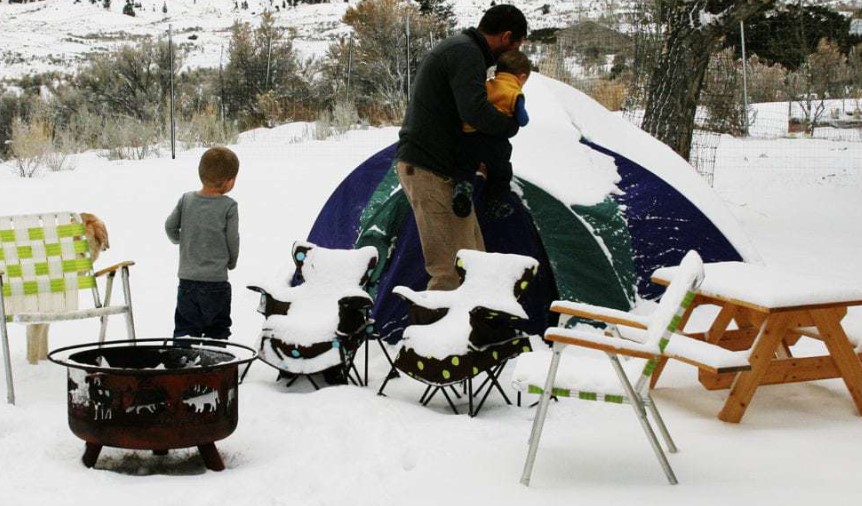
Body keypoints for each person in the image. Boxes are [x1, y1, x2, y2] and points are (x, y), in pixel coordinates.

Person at [396, 4, 528, 291]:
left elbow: (459, 116)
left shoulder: (464, 50)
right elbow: (475, 112)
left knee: (473, 263)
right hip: (429, 168)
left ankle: (465, 333)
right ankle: (436, 334)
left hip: (440, 168)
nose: (512, 54)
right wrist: (510, 126)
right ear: (507, 37)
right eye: (516, 45)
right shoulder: (466, 52)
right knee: (453, 272)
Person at [165, 146, 240, 340]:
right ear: (229, 181)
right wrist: (231, 261)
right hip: (216, 282)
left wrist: (184, 242)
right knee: (218, 329)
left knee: (185, 329)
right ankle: (215, 366)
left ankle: (183, 363)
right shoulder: (229, 206)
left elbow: (169, 227)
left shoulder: (186, 200)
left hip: (187, 283)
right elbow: (232, 239)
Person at [455, 49, 531, 220]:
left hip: (471, 136)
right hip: (495, 142)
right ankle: (496, 200)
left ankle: (463, 188)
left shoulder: (486, 85)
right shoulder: (515, 93)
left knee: (466, 164)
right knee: (501, 169)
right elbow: (523, 119)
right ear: (522, 77)